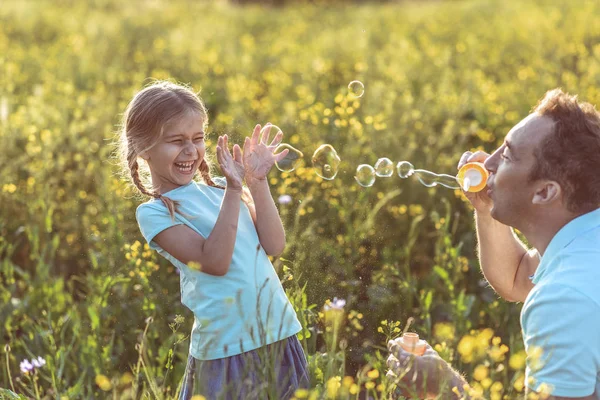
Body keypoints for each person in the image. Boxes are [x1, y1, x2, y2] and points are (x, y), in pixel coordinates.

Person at [386, 88, 600, 399]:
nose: (489, 163)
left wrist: (447, 388)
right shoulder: (584, 241)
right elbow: (515, 277)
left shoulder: (562, 298)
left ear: (544, 193)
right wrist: (486, 210)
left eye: (509, 155)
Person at [118, 80, 309, 399]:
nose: (190, 151)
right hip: (226, 351)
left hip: (278, 333)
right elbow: (215, 262)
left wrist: (256, 182)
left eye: (197, 138)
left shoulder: (222, 186)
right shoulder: (156, 213)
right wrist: (235, 190)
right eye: (176, 141)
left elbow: (274, 246)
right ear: (143, 149)